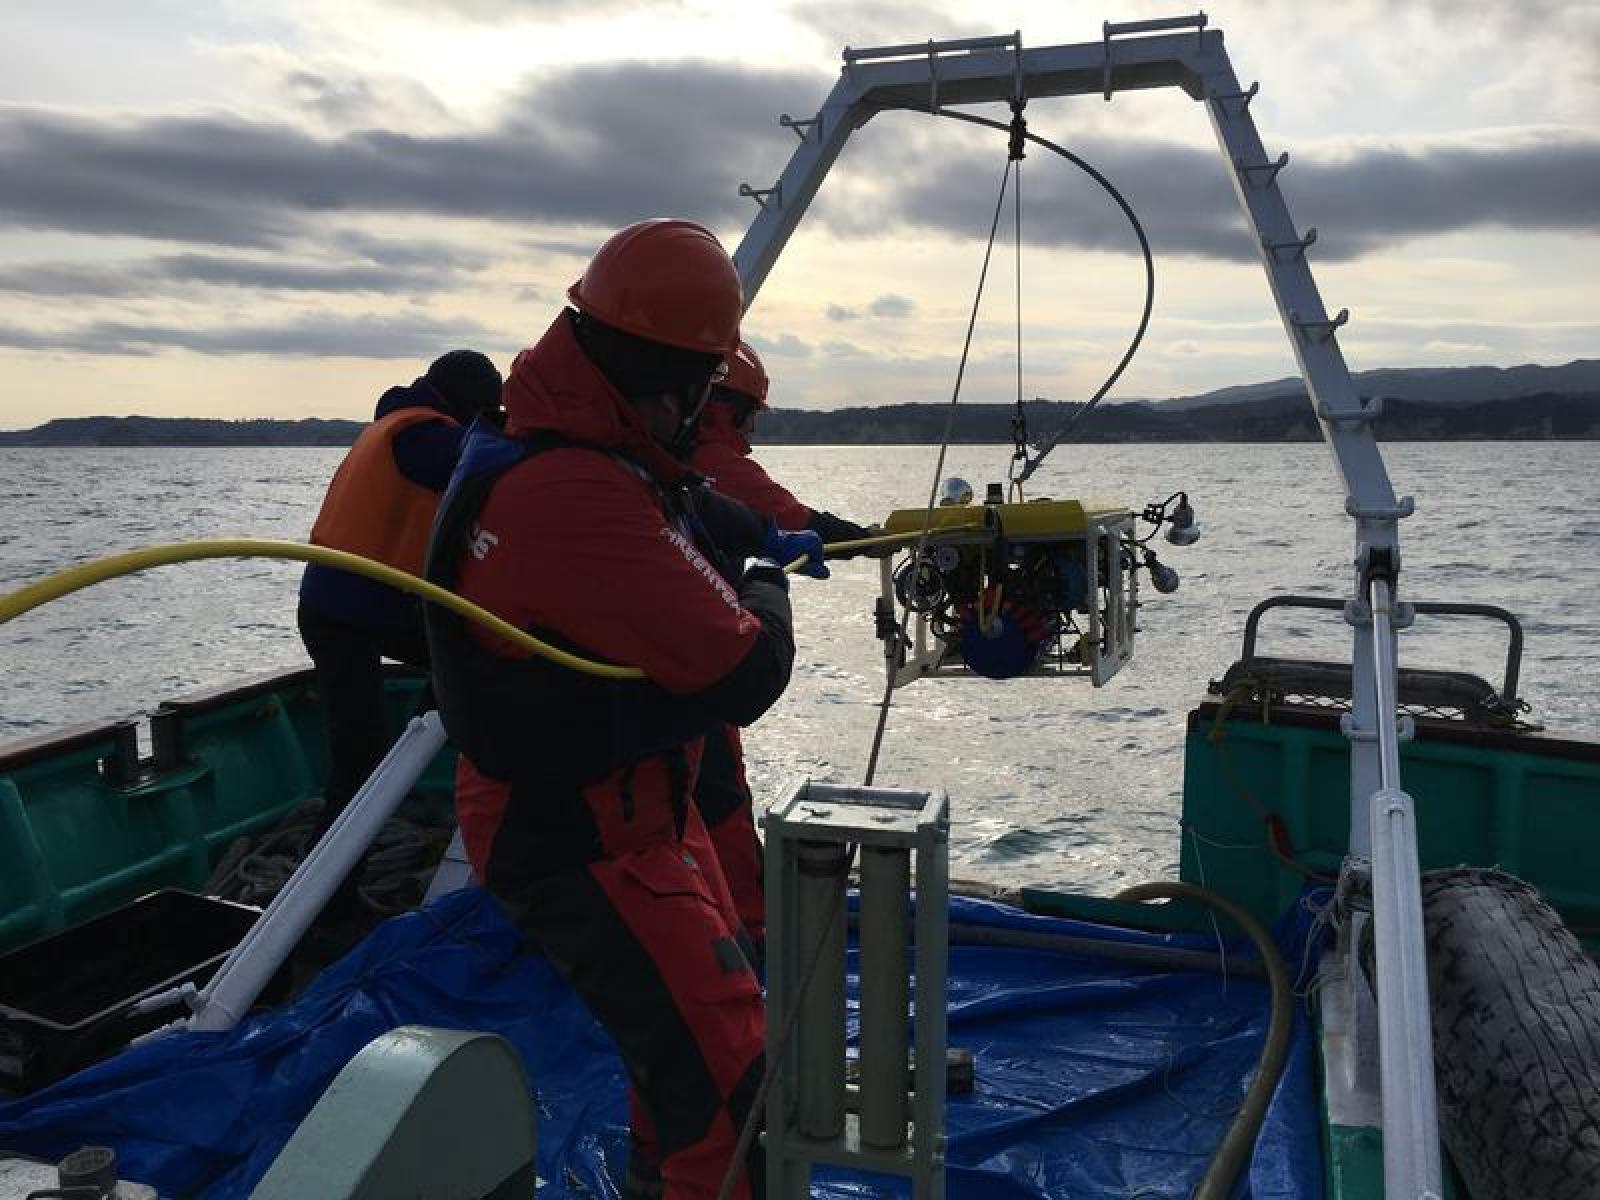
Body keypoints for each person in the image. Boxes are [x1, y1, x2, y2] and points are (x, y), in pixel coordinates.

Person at [424, 219, 819, 1200]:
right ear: (670, 380)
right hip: (584, 837)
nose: (709, 416)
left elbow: (689, 509)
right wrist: (769, 584)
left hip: (633, 816)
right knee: (733, 1102)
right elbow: (743, 674)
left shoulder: (578, 444)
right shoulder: (569, 491)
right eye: (705, 394)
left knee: (686, 1063)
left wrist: (782, 533)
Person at [686, 340, 876, 959]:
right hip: (695, 664)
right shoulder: (715, 462)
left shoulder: (654, 459)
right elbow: (792, 521)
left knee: (685, 802)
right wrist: (877, 540)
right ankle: (752, 935)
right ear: (729, 407)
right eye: (752, 413)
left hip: (658, 659)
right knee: (718, 798)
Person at [297, 349, 503, 851]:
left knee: (455, 666)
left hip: (339, 608)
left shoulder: (394, 422)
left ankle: (426, 726)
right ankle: (327, 891)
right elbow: (484, 458)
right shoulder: (422, 436)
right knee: (360, 758)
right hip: (354, 613)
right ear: (469, 407)